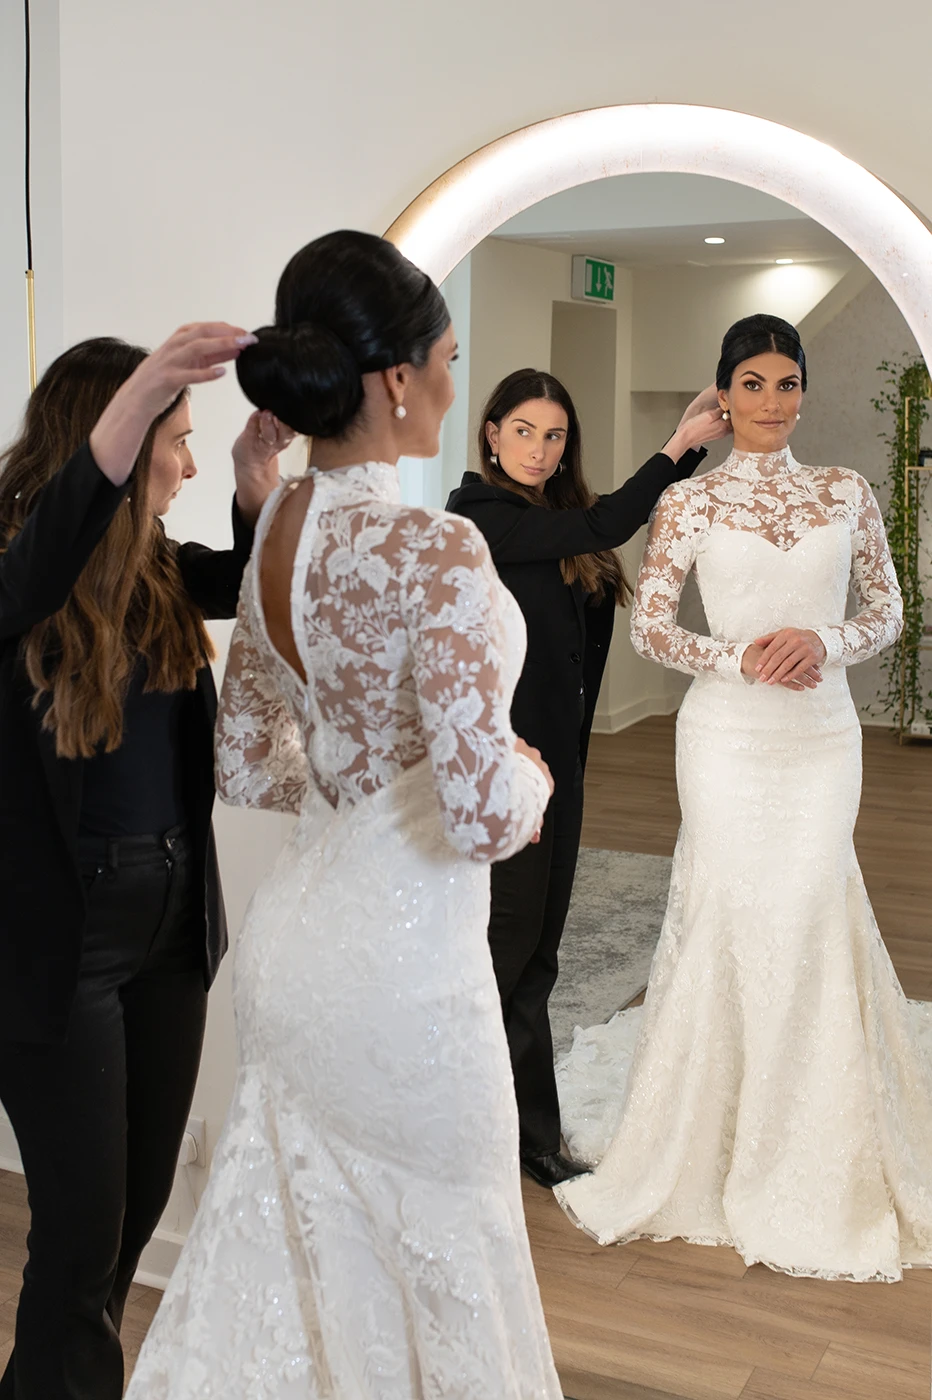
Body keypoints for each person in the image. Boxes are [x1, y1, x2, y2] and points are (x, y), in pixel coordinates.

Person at [125, 231, 563, 1399]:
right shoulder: (439, 548)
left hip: (300, 944)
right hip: (404, 969)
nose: (457, 384)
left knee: (295, 1243)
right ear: (397, 380)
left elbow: (253, 770)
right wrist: (532, 774)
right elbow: (479, 814)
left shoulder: (274, 526)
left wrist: (359, 771)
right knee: (444, 1255)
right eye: (451, 358)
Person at [555, 313, 932, 1283]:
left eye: (785, 381)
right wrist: (738, 656)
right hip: (723, 735)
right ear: (721, 395)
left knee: (807, 911)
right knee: (725, 914)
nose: (771, 400)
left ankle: (816, 1146)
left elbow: (886, 609)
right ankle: (702, 1140)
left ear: (801, 390)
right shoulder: (686, 503)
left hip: (818, 740)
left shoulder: (843, 490)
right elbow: (649, 628)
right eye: (751, 383)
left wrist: (825, 641)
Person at [0, 325, 288, 1399]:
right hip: (59, 941)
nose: (186, 459)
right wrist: (146, 387)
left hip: (168, 919)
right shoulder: (17, 559)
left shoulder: (155, 560)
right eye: (177, 437)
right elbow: (48, 553)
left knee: (125, 1222)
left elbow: (247, 586)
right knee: (79, 1236)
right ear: (112, 439)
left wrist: (254, 487)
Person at [445, 369, 728, 1188]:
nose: (539, 450)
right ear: (491, 433)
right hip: (508, 771)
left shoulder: (557, 522)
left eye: (555, 435)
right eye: (524, 431)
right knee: (502, 955)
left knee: (538, 956)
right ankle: (478, 1130)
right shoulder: (479, 516)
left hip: (559, 765)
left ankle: (529, 1133)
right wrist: (678, 448)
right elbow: (610, 518)